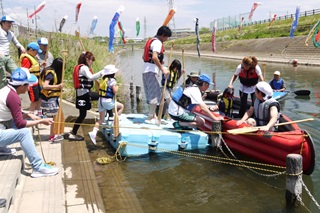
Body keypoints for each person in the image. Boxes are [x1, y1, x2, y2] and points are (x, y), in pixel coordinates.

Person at [0, 67, 59, 177]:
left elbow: (13, 112)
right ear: (22, 85)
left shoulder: (6, 90)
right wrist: (41, 121)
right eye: (28, 85)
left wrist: (29, 114)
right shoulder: (13, 97)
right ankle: (38, 167)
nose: (29, 88)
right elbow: (20, 123)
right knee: (24, 133)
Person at [69, 51, 103, 141]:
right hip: (84, 94)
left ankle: (73, 132)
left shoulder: (82, 67)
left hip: (81, 94)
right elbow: (91, 77)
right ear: (87, 59)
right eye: (91, 60)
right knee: (103, 96)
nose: (92, 62)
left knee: (82, 115)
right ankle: (106, 117)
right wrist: (102, 72)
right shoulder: (83, 68)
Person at [142, 26, 171, 124]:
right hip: (151, 71)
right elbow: (154, 57)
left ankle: (153, 116)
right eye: (166, 37)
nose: (166, 40)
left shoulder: (150, 41)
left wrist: (158, 64)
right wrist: (162, 69)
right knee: (155, 95)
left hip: (145, 69)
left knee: (151, 93)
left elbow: (144, 57)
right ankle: (150, 118)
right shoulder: (158, 42)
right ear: (163, 35)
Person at [88, 65, 124, 145]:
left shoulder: (103, 79)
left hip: (100, 101)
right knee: (121, 106)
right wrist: (117, 87)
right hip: (107, 101)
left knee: (101, 119)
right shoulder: (112, 80)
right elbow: (115, 91)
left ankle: (93, 133)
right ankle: (116, 120)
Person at [39, 58, 64, 142]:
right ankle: (52, 136)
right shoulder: (50, 74)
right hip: (50, 99)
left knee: (55, 117)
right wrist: (58, 86)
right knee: (55, 118)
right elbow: (45, 86)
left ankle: (52, 135)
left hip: (50, 98)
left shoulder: (48, 70)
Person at [0, 15, 26, 89]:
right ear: (2, 23)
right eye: (8, 22)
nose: (10, 24)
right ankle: (2, 95)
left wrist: (21, 47)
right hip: (0, 57)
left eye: (11, 22)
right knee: (2, 78)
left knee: (16, 72)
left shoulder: (10, 33)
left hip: (7, 57)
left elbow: (16, 43)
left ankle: (14, 90)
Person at [20, 42, 42, 116]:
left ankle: (39, 113)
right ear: (31, 50)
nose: (37, 53)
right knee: (34, 99)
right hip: (31, 82)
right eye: (36, 51)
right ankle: (31, 115)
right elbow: (24, 71)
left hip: (37, 80)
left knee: (39, 97)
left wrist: (41, 65)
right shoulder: (26, 59)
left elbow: (33, 67)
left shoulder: (32, 57)